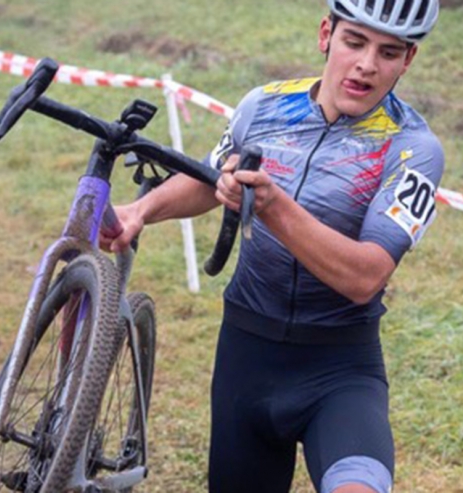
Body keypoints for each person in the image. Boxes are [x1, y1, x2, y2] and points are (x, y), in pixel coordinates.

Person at [101, 0, 443, 491]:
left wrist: (273, 205)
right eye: (354, 42)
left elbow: (365, 276)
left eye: (388, 52)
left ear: (407, 60)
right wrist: (140, 211)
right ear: (326, 34)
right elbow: (210, 178)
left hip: (341, 370)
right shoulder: (263, 105)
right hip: (247, 358)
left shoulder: (413, 149)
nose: (367, 65)